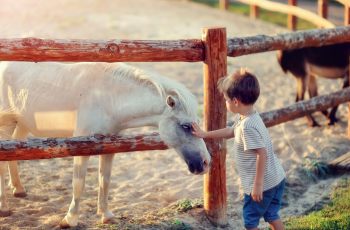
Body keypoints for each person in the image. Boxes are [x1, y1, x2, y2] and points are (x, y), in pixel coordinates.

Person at [192, 68, 286, 230]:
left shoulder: (247, 127)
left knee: (250, 222)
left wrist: (257, 185)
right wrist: (204, 134)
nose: (225, 102)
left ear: (235, 101)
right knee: (271, 215)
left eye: (226, 100)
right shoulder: (250, 117)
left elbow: (261, 154)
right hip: (276, 178)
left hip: (263, 185)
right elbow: (230, 131)